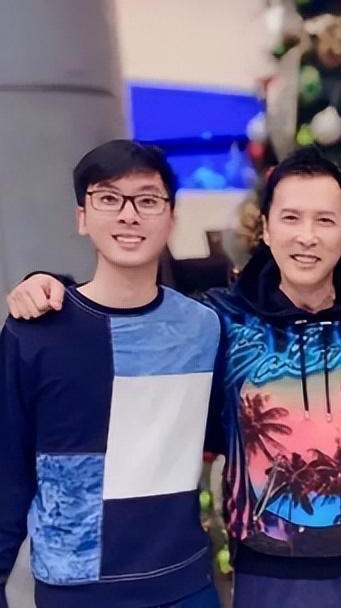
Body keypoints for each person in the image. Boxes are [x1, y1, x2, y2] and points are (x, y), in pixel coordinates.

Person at [6, 148, 341, 608]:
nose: (307, 236)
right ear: (266, 229)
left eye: (325, 220)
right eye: (291, 218)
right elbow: (128, 309)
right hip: (263, 564)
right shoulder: (220, 319)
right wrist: (49, 283)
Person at [0, 140, 221, 608]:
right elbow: (8, 467)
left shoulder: (202, 328)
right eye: (108, 198)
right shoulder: (35, 331)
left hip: (183, 584)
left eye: (147, 200)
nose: (128, 215)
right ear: (82, 217)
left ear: (172, 217)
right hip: (74, 588)